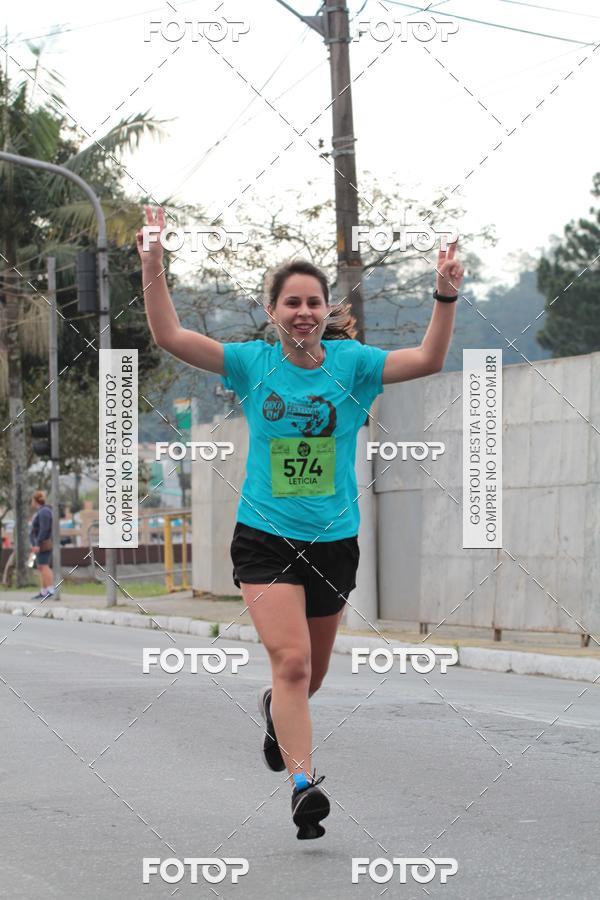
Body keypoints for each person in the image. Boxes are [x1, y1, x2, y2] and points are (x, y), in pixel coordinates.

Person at [137, 206, 464, 839]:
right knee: (288, 665)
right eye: (291, 302)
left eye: (314, 301)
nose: (304, 312)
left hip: (334, 543)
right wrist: (154, 267)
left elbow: (427, 358)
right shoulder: (252, 366)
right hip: (265, 538)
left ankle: (273, 712)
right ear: (273, 312)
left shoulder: (355, 366)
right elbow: (173, 337)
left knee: (306, 679)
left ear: (324, 311)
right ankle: (303, 787)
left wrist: (444, 295)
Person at [29, 490, 56, 600]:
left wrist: (37, 543)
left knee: (44, 566)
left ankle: (50, 589)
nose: (31, 502)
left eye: (32, 499)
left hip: (42, 543)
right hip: (39, 543)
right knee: (41, 567)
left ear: (35, 500)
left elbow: (44, 529)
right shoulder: (42, 511)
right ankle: (44, 591)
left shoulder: (44, 511)